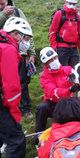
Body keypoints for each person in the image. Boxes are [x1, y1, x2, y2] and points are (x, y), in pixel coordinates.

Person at [0, 17, 33, 158]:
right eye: (25, 38)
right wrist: (14, 111)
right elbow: (11, 86)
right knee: (17, 140)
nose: (27, 42)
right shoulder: (8, 50)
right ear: (15, 34)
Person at [35, 47, 80, 143]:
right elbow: (53, 92)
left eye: (55, 58)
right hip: (54, 104)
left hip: (68, 102)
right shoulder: (44, 77)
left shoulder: (67, 69)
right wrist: (69, 90)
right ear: (45, 64)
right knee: (41, 108)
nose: (54, 61)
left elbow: (79, 78)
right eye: (50, 60)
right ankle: (39, 135)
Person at [0, 0, 36, 118]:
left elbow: (27, 33)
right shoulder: (3, 15)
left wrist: (32, 53)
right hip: (7, 53)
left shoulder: (17, 12)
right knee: (8, 82)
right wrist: (3, 15)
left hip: (20, 54)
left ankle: (25, 109)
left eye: (3, 3)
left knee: (22, 82)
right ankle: (10, 110)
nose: (2, 6)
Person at [49, 0, 80, 67]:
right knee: (62, 70)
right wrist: (53, 47)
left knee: (74, 71)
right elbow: (52, 32)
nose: (72, 6)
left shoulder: (77, 17)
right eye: (70, 3)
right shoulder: (59, 14)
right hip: (61, 48)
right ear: (66, 2)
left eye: (74, 4)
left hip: (74, 48)